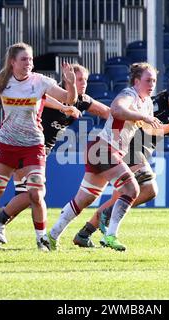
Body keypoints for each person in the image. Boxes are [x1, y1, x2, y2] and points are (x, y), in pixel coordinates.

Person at [0, 41, 78, 251]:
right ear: (12, 62)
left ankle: (42, 240)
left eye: (30, 59)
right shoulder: (3, 80)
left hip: (33, 146)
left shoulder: (40, 81)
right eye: (24, 59)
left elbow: (69, 100)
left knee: (36, 194)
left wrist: (71, 84)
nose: (29, 62)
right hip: (7, 145)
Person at [73, 74, 169, 248]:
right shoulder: (154, 104)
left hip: (140, 152)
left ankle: (84, 234)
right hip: (130, 147)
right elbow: (144, 126)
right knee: (149, 189)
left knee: (120, 197)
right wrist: (165, 128)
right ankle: (107, 220)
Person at [0, 64, 110, 244]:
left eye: (85, 80)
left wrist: (130, 119)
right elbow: (42, 98)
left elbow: (107, 112)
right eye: (79, 79)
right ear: (67, 79)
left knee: (27, 195)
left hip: (40, 150)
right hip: (26, 146)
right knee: (32, 195)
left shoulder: (82, 100)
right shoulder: (50, 93)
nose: (83, 83)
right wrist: (62, 107)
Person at [45, 62, 162, 251]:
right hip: (105, 149)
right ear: (137, 81)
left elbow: (146, 126)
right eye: (148, 80)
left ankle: (51, 235)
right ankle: (111, 236)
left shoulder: (146, 103)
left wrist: (164, 128)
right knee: (131, 190)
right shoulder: (128, 94)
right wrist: (142, 117)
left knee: (84, 199)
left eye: (154, 81)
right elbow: (116, 110)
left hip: (99, 151)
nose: (152, 84)